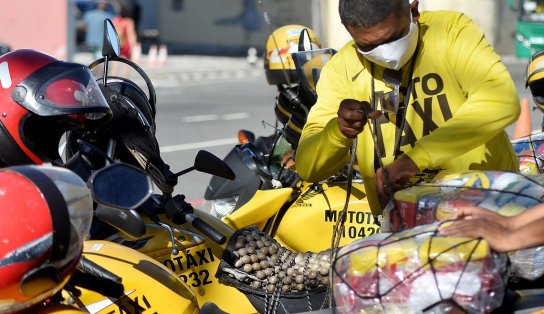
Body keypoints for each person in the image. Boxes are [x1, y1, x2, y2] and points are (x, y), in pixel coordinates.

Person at [295, 0, 520, 216]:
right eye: (368, 46)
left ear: (413, 11)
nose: (385, 53)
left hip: (488, 207)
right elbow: (308, 167)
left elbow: (501, 101)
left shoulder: (450, 31)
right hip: (403, 225)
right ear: (348, 29)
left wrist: (415, 160)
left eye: (393, 39)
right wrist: (338, 131)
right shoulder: (340, 69)